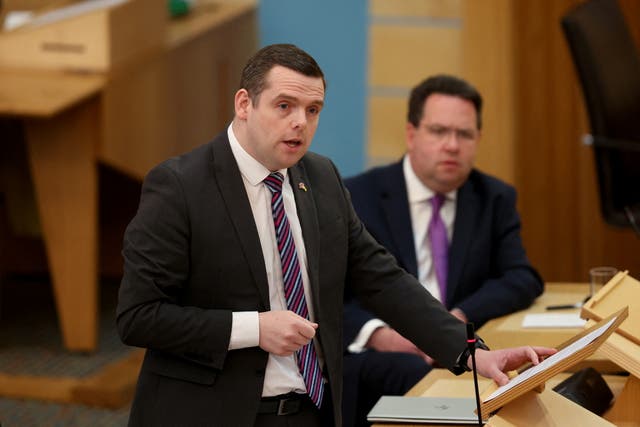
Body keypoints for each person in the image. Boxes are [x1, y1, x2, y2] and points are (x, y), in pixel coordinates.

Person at [116, 45, 554, 427]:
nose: (299, 124)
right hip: (212, 413)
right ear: (244, 103)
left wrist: (472, 353)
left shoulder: (320, 177)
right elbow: (139, 316)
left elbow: (381, 277)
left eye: (313, 110)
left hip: (311, 410)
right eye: (284, 106)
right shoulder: (179, 186)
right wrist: (254, 328)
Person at [342, 74, 544, 426]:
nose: (452, 145)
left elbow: (522, 276)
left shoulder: (493, 197)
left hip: (461, 346)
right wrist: (382, 336)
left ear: (478, 139)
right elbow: (326, 297)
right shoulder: (357, 197)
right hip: (388, 357)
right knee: (407, 371)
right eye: (438, 131)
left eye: (464, 134)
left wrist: (458, 318)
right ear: (411, 134)